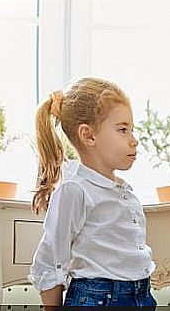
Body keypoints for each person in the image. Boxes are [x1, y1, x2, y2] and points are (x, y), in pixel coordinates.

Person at [27, 77, 157, 308]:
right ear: (89, 136)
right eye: (123, 130)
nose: (134, 140)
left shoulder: (122, 191)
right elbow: (50, 260)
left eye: (132, 130)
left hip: (140, 295)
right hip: (99, 299)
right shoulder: (74, 190)